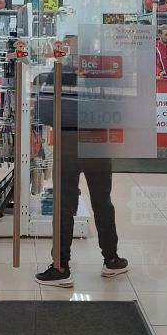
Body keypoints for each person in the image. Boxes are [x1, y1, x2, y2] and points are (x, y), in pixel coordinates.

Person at [35, 40, 127, 288]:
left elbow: (44, 111)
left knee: (64, 205)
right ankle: (112, 259)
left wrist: (66, 117)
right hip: (98, 143)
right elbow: (118, 108)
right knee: (102, 201)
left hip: (68, 144)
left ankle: (60, 266)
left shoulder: (57, 73)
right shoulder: (104, 75)